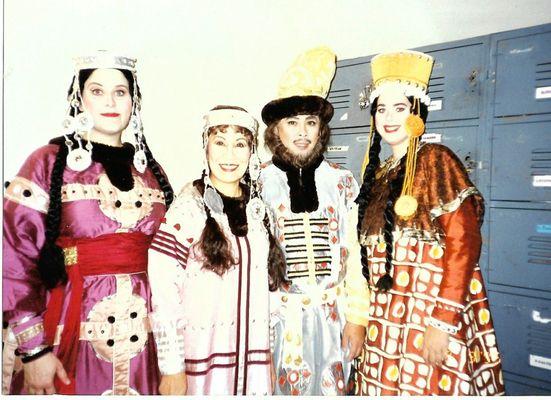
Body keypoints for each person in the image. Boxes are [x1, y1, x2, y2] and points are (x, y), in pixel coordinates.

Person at [2, 51, 173, 395]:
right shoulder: (46, 163)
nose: (109, 101)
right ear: (79, 98)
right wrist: (34, 350)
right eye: (97, 91)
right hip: (70, 330)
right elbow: (13, 257)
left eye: (120, 92)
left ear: (134, 100)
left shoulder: (153, 174)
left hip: (147, 341)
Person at [353, 50, 505, 396]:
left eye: (399, 108)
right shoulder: (377, 176)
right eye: (381, 109)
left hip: (428, 313)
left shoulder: (437, 160)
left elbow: (464, 243)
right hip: (386, 317)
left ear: (416, 113)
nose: (388, 117)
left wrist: (442, 322)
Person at [147, 105, 287, 395]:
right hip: (202, 364)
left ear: (252, 151)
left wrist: (268, 357)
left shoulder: (260, 213)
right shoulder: (187, 210)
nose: (229, 155)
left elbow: (270, 294)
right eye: (220, 142)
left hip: (253, 365)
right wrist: (171, 367)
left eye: (240, 145)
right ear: (205, 147)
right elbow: (163, 292)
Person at [259, 47, 369, 396]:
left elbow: (355, 259)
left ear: (321, 129)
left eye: (311, 122)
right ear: (277, 131)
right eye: (292, 123)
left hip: (331, 320)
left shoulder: (341, 183)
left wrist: (357, 319)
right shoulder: (257, 183)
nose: (302, 132)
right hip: (276, 320)